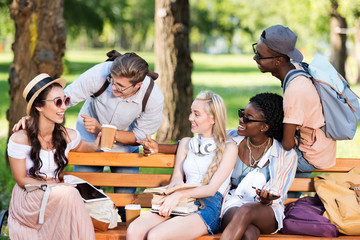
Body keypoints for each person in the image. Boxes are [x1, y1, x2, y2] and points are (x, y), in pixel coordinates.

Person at [13, 52, 164, 219]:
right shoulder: (99, 74)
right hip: (88, 138)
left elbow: (139, 137)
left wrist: (102, 130)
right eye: (112, 81)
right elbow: (65, 98)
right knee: (85, 196)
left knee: (126, 200)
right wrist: (35, 117)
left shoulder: (153, 97)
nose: (114, 88)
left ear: (138, 85)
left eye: (120, 86)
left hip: (125, 145)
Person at [126, 90, 238, 239]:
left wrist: (178, 195)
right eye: (191, 112)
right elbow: (177, 178)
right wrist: (174, 188)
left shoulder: (229, 148)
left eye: (197, 114)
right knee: (134, 230)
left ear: (212, 119)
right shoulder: (186, 143)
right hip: (181, 200)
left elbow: (211, 190)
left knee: (156, 236)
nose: (191, 118)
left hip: (207, 206)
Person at [7, 73, 101, 239]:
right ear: (39, 106)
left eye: (65, 100)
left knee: (69, 196)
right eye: (58, 102)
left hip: (58, 197)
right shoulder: (20, 139)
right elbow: (21, 179)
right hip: (30, 198)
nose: (64, 107)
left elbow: (82, 146)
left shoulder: (66, 135)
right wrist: (54, 187)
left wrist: (96, 145)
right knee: (70, 194)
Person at [252, 25, 336, 180]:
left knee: (254, 174)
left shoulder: (295, 90)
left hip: (310, 155)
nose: (255, 58)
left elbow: (288, 145)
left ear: (278, 61)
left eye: (260, 56)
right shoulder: (295, 69)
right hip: (318, 146)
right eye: (255, 52)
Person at [220, 93, 297, 240]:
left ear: (264, 126)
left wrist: (266, 199)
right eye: (242, 113)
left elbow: (277, 193)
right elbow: (197, 145)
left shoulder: (285, 155)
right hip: (233, 203)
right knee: (249, 234)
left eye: (247, 118)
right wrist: (161, 147)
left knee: (246, 210)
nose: (241, 119)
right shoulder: (230, 138)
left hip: (266, 210)